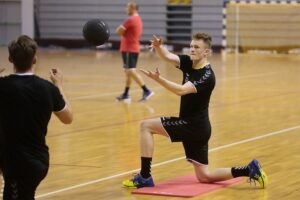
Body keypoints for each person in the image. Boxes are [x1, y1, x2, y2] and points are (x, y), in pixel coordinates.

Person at [122, 33, 268, 188]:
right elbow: (168, 57)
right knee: (204, 176)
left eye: (196, 47)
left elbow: (181, 90)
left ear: (206, 52)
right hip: (199, 127)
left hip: (193, 126)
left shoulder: (207, 76)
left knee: (146, 126)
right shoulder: (189, 62)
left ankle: (145, 176)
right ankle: (249, 169)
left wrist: (159, 80)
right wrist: (159, 47)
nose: (192, 49)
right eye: (191, 46)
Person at [0, 35, 73, 199]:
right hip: (38, 160)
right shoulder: (48, 88)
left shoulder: (3, 86)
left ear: (10, 59)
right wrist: (59, 87)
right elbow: (68, 118)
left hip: (17, 162)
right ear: (35, 60)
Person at [115, 1, 154, 103]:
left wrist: (120, 30)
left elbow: (118, 31)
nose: (126, 10)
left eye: (128, 8)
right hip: (131, 48)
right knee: (128, 72)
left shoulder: (130, 20)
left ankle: (146, 90)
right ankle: (126, 94)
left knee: (130, 71)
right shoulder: (138, 19)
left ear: (133, 8)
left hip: (129, 48)